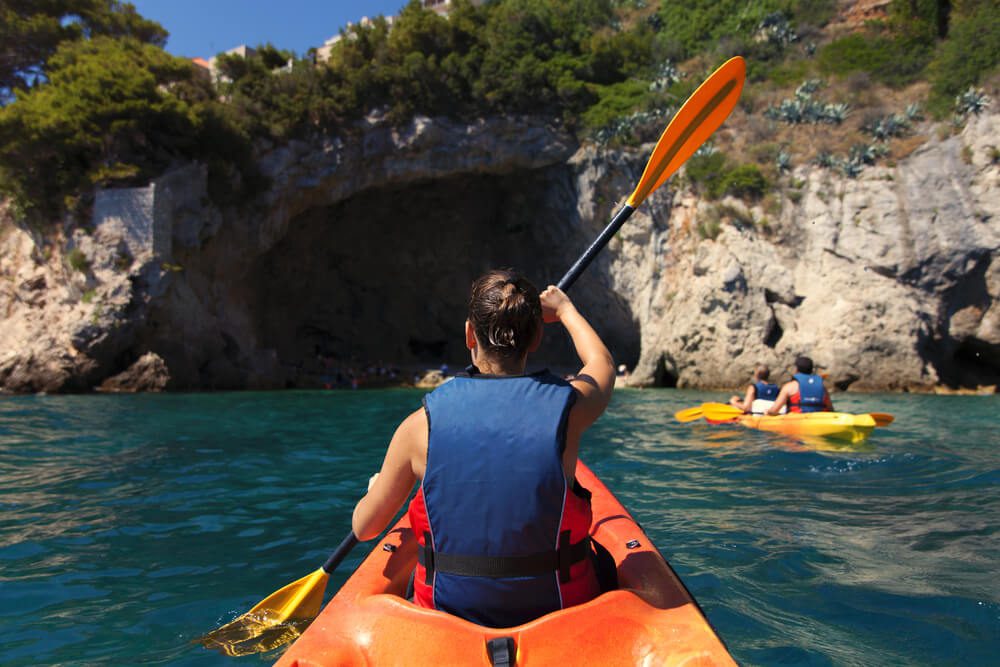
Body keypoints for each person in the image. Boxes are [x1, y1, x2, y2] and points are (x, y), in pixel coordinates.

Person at [351, 268, 616, 627]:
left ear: (468, 334)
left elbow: (365, 527)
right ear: (537, 336)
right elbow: (602, 365)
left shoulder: (418, 426)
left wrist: (375, 488)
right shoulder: (570, 409)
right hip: (557, 612)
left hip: (448, 617)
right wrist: (566, 310)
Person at [766, 355, 833, 415]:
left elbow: (774, 411)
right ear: (811, 370)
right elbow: (830, 409)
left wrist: (767, 412)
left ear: (796, 370)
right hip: (821, 420)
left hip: (798, 420)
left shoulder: (789, 387)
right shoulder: (822, 387)